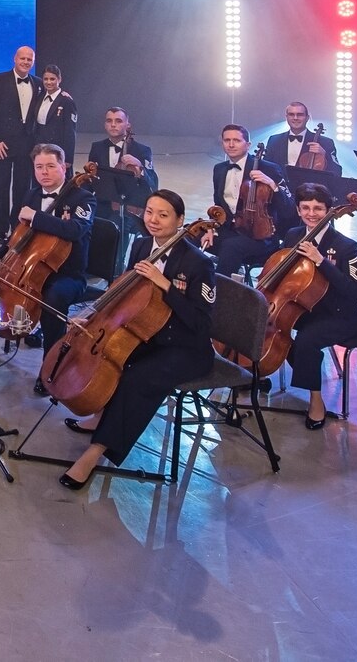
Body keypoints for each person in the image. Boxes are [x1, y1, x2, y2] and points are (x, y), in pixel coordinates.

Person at [58, 188, 217, 488]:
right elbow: (124, 293)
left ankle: (96, 452)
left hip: (187, 348)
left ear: (180, 220)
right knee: (112, 355)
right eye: (149, 212)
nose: (153, 220)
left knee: (137, 377)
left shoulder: (198, 263)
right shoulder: (142, 245)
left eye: (163, 214)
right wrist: (91, 315)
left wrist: (165, 286)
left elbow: (201, 323)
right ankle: (102, 413)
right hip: (149, 334)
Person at [0, 145, 96, 384]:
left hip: (66, 273)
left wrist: (37, 216)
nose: (44, 172)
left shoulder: (84, 197)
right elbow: (17, 237)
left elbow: (75, 230)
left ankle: (50, 367)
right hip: (27, 266)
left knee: (53, 298)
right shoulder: (31, 195)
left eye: (50, 166)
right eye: (39, 167)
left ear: (64, 166)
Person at [278, 184, 357, 430]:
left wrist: (321, 261)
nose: (311, 213)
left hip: (339, 315)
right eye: (305, 207)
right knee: (269, 327)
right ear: (298, 210)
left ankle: (316, 400)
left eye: (318, 208)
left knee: (305, 341)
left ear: (329, 211)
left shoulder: (347, 246)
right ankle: (257, 373)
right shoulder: (293, 235)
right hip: (305, 307)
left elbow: (354, 291)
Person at [207, 123, 290, 273]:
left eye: (237, 141)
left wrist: (272, 184)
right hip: (229, 229)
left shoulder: (268, 168)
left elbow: (288, 208)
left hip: (260, 236)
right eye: (227, 140)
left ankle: (220, 291)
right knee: (188, 234)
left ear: (248, 144)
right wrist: (211, 227)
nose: (231, 145)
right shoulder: (219, 169)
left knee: (231, 247)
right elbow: (218, 205)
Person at [0, 46, 42, 247]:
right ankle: (0, 229)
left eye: (29, 59)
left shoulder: (39, 84)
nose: (26, 62)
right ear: (14, 59)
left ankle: (17, 225)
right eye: (22, 58)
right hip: (3, 144)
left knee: (22, 187)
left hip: (27, 145)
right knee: (1, 186)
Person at [88, 107, 157, 232]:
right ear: (105, 124)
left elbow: (153, 183)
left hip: (128, 207)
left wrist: (140, 166)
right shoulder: (96, 147)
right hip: (102, 204)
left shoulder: (142, 150)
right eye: (109, 121)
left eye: (118, 121)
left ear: (127, 125)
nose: (113, 125)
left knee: (119, 227)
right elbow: (91, 179)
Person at [262, 102, 340, 174]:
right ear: (286, 117)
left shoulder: (325, 142)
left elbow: (337, 172)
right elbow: (265, 168)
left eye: (300, 115)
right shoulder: (274, 140)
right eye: (291, 114)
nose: (295, 118)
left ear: (307, 118)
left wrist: (324, 155)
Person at [32, 66, 77, 166]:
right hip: (39, 150)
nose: (48, 82)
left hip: (57, 151)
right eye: (45, 79)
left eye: (52, 79)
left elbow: (70, 132)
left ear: (59, 79)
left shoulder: (66, 101)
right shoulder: (39, 97)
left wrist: (68, 158)